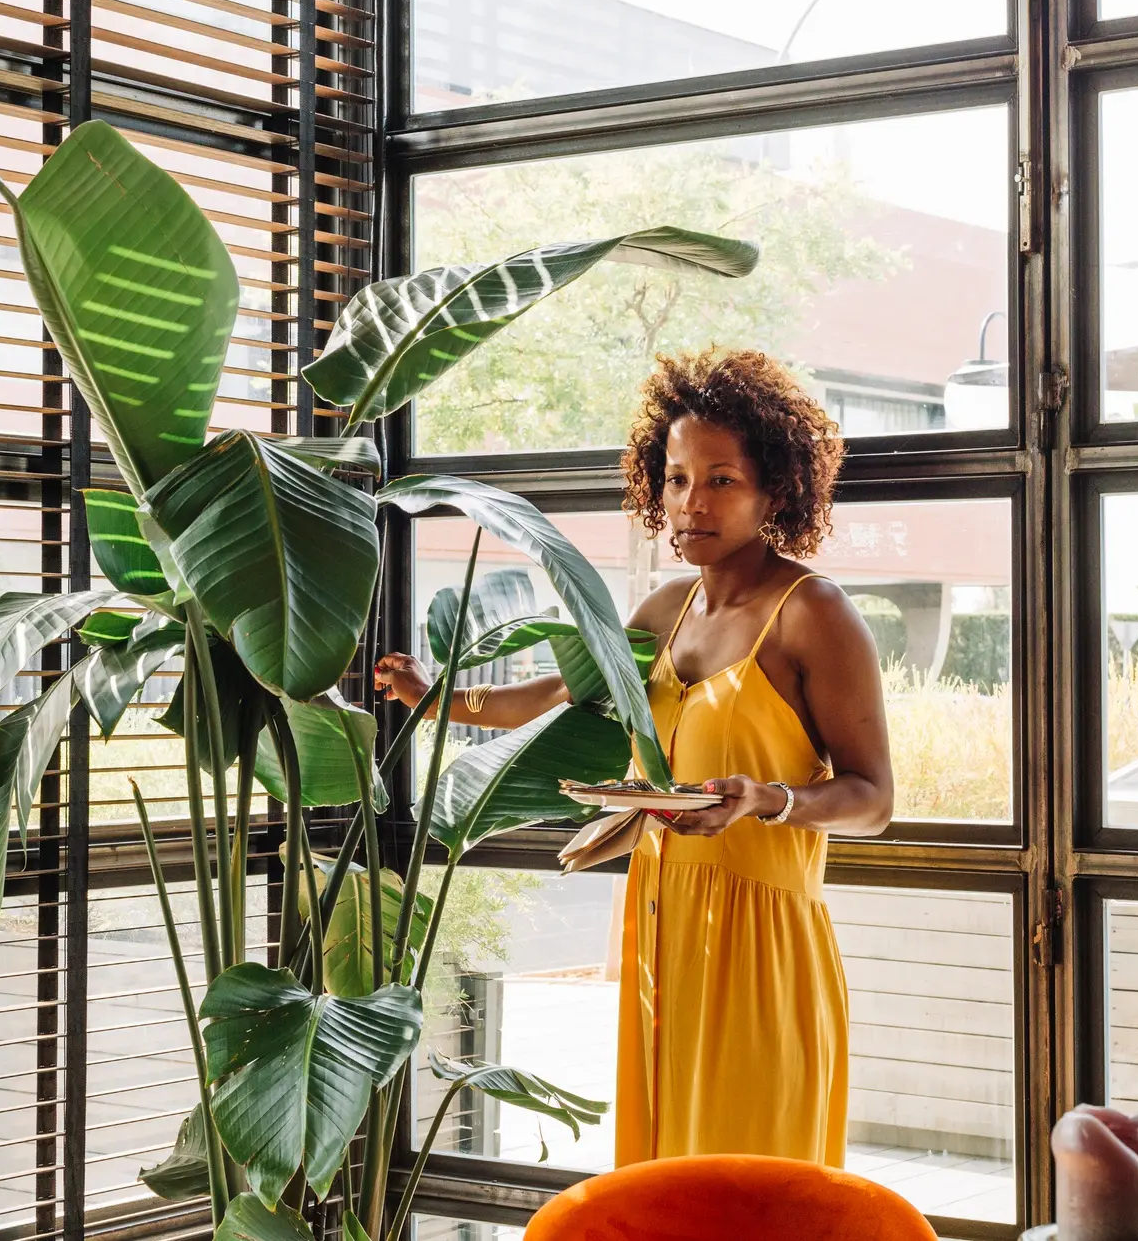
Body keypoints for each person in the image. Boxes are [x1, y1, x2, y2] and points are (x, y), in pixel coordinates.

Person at [374, 348, 894, 1167]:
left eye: (721, 479)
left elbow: (873, 798)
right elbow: (554, 692)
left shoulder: (813, 613)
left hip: (762, 947)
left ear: (777, 490)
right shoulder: (665, 607)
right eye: (677, 479)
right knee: (664, 1182)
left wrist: (768, 799)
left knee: (749, 1184)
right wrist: (436, 697)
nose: (692, 502)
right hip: (661, 926)